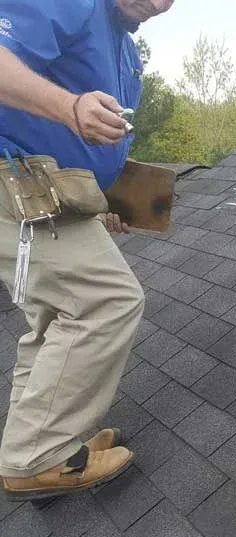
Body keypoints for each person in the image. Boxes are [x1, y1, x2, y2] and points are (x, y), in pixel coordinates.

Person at [0, 0, 175, 502]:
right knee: (109, 301)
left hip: (63, 196)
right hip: (18, 185)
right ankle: (38, 458)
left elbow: (104, 139)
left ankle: (35, 442)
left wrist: (109, 200)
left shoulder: (126, 50)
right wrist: (70, 107)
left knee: (55, 319)